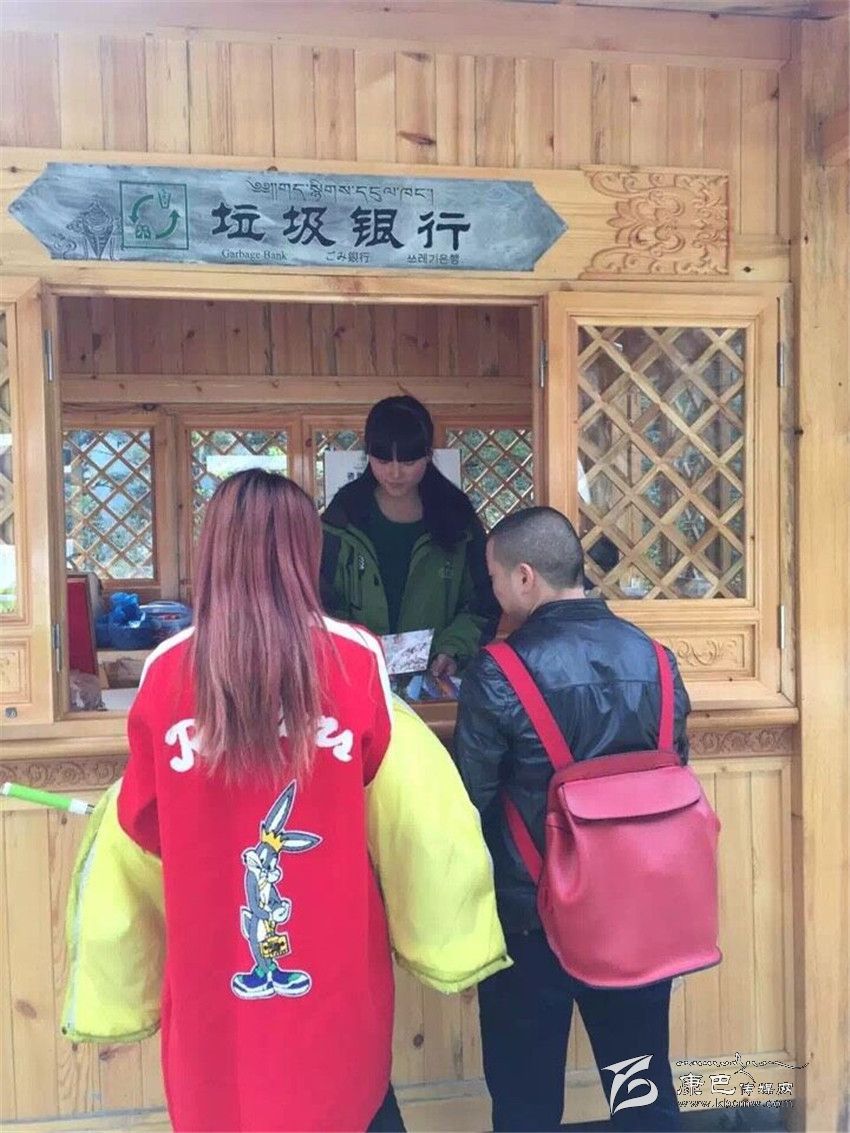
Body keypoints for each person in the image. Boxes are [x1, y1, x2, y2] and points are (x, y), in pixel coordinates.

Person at [115, 469, 509, 1132]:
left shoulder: (165, 671)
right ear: (307, 550)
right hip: (333, 953)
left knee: (225, 1102)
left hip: (212, 960)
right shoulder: (354, 658)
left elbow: (142, 821)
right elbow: (392, 799)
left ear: (213, 548)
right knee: (346, 1097)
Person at [453, 506, 691, 1133]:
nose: (493, 590)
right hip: (637, 912)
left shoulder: (497, 672)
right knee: (642, 1095)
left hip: (533, 922)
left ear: (524, 577)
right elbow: (675, 775)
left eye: (494, 577)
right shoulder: (658, 661)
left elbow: (470, 800)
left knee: (526, 1104)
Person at [320, 396, 499, 678]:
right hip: (357, 675)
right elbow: (320, 601)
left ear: (428, 454)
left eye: (408, 460)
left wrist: (452, 650)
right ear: (368, 455)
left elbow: (483, 602)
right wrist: (353, 652)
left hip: (434, 679)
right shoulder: (342, 517)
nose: (394, 472)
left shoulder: (458, 517)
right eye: (382, 460)